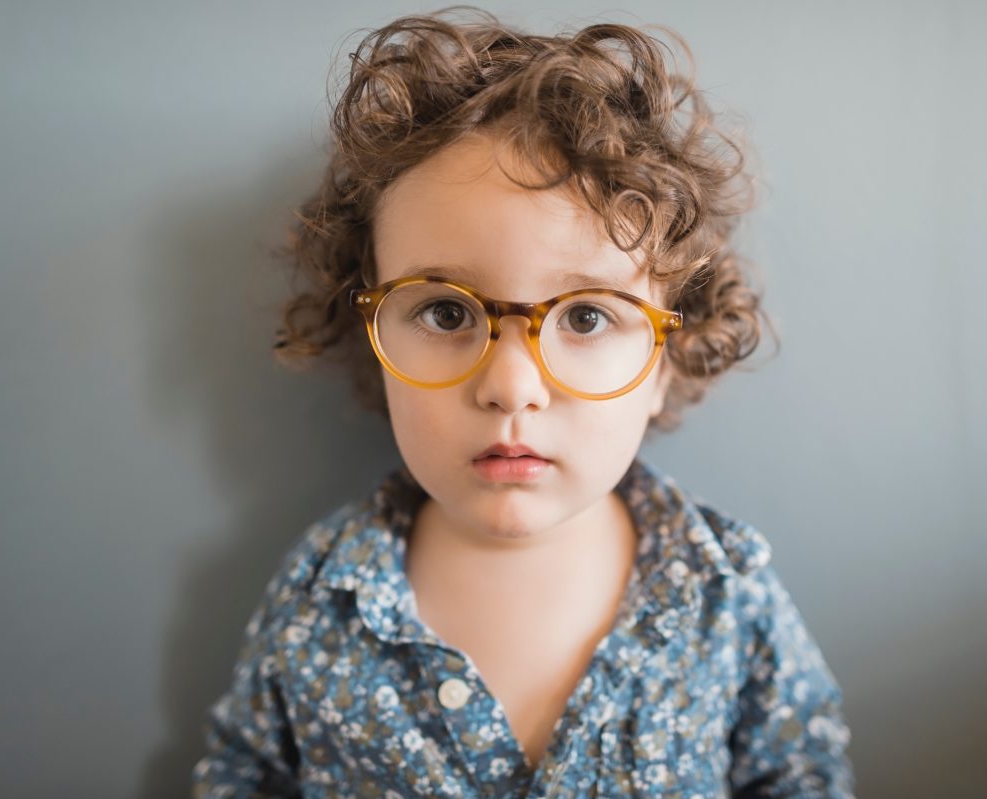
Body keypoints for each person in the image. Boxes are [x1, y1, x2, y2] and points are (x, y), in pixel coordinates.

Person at [192, 6, 855, 797]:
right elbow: (242, 775)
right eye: (445, 313)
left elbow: (801, 776)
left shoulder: (724, 594)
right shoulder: (319, 601)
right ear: (371, 330)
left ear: (668, 358)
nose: (509, 385)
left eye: (585, 317)